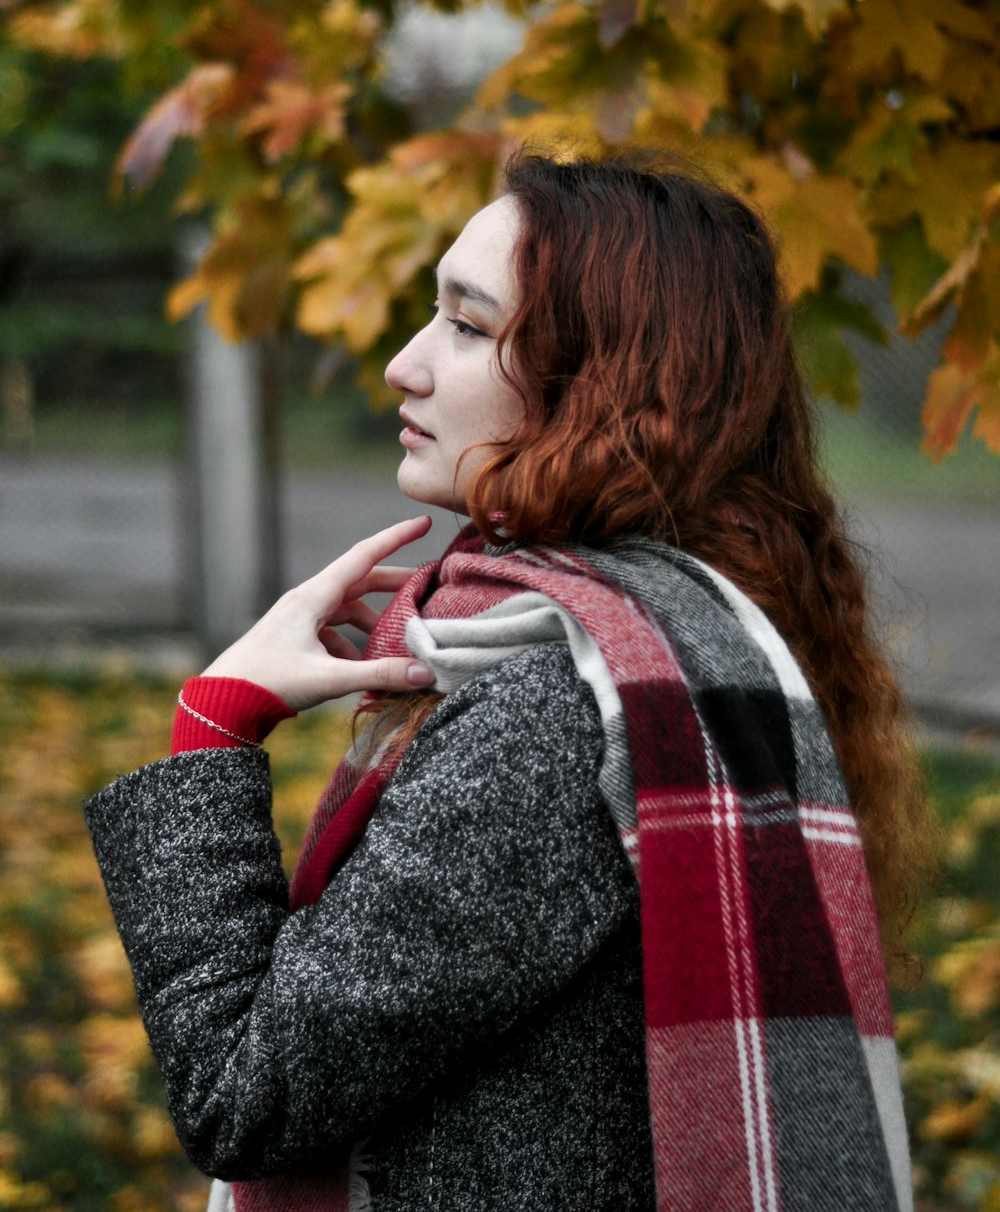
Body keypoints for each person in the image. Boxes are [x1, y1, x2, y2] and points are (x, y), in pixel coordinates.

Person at [86, 152, 931, 1212]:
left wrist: (211, 728)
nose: (402, 364)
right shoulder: (679, 631)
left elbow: (246, 1096)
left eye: (468, 326)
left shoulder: (549, 712)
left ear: (608, 379)